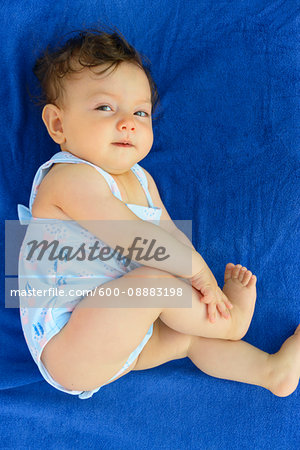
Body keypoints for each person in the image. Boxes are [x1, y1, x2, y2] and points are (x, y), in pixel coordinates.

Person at [18, 28, 300, 400]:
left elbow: (169, 235)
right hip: (69, 345)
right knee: (155, 281)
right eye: (105, 107)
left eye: (140, 112)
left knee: (186, 338)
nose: (128, 122)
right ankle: (230, 322)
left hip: (123, 335)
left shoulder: (142, 179)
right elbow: (138, 240)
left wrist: (203, 288)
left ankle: (270, 372)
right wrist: (197, 271)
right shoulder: (68, 178)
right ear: (58, 125)